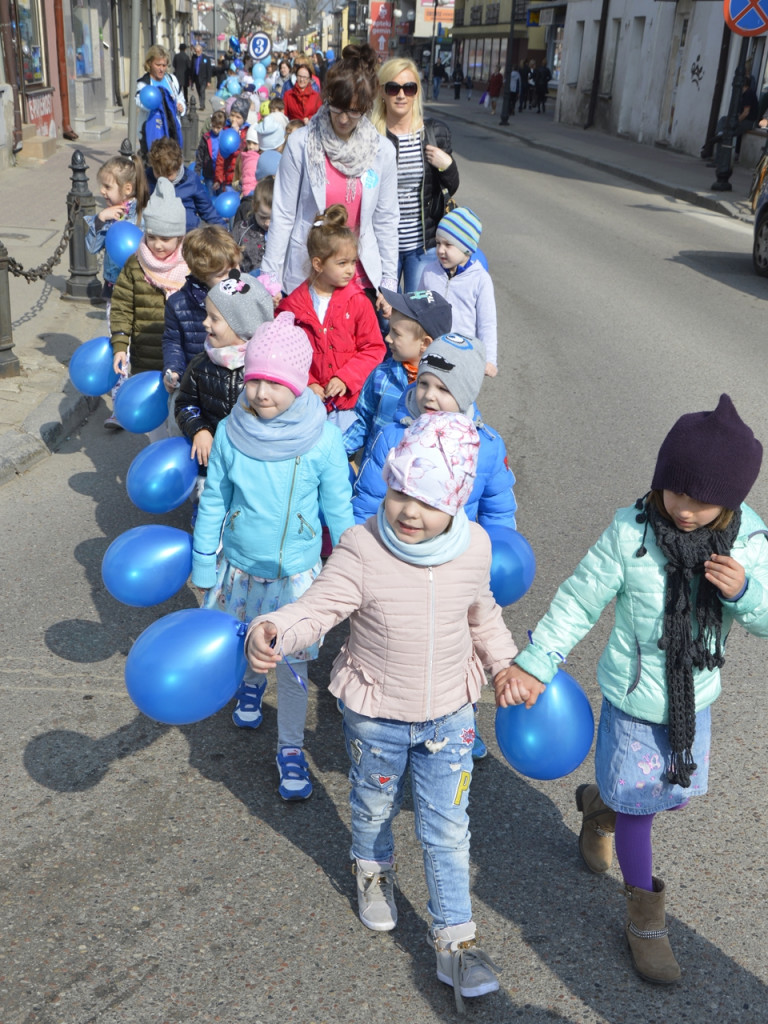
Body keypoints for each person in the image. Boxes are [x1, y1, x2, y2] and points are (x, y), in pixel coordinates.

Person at [246, 411, 518, 1010]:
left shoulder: (474, 547)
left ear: (455, 503)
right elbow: (318, 606)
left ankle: (456, 939)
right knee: (371, 802)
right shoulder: (363, 546)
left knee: (448, 828)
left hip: (450, 715)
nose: (408, 511)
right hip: (376, 711)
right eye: (398, 492)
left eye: (425, 499)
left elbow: (483, 613)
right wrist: (276, 627)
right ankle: (371, 866)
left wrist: (505, 664)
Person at [502, 394, 768, 985]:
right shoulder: (632, 531)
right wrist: (536, 662)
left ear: (733, 500)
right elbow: (578, 600)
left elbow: (766, 616)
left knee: (668, 797)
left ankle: (602, 810)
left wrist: (745, 592)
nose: (685, 510)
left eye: (703, 501)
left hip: (692, 702)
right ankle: (645, 921)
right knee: (642, 812)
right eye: (675, 492)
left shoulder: (748, 543)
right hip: (632, 699)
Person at [191, 312, 355, 801]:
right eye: (255, 379)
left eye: (276, 383)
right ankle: (249, 683)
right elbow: (214, 501)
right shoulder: (230, 433)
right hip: (241, 566)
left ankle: (289, 748)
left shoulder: (322, 438)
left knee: (293, 665)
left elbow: (338, 509)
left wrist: (351, 571)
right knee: (244, 635)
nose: (262, 393)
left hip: (297, 578)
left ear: (300, 385)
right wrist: (203, 565)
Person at [259, 44, 398, 312]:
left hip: (360, 278)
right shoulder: (302, 142)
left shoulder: (382, 151)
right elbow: (284, 213)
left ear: (367, 108)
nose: (344, 119)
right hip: (309, 273)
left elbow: (386, 219)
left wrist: (389, 280)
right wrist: (270, 275)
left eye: (354, 111)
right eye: (337, 108)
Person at [277, 205, 386, 432]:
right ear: (318, 264)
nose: (351, 270)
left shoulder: (358, 301)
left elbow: (373, 348)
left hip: (348, 402)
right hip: (305, 400)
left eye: (353, 262)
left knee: (340, 454)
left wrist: (346, 378)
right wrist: (308, 382)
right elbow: (282, 352)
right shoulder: (292, 307)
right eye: (342, 263)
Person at [176, 269, 274, 497]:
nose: (205, 323)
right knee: (210, 520)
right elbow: (185, 405)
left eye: (214, 318)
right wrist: (199, 429)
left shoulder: (265, 367)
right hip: (212, 467)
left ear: (242, 325)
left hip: (256, 470)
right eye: (206, 314)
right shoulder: (200, 364)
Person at [371, 57, 459, 293]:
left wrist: (447, 165)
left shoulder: (434, 132)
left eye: (409, 88)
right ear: (382, 92)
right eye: (393, 88)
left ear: (416, 92)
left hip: (422, 246)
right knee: (384, 319)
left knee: (416, 317)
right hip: (380, 247)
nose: (401, 95)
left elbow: (450, 187)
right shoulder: (370, 136)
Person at [109, 179, 189, 434]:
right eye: (151, 236)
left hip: (182, 361)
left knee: (179, 421)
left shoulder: (190, 267)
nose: (157, 245)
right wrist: (120, 345)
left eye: (165, 239)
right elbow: (122, 306)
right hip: (146, 359)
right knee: (153, 426)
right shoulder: (135, 264)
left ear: (180, 236)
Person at [343, 287, 452, 463]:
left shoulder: (448, 389)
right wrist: (337, 453)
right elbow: (363, 421)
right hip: (376, 474)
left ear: (424, 343)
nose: (388, 338)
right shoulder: (381, 375)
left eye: (396, 333)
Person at [162, 225, 244, 392]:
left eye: (235, 268)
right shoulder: (178, 304)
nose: (232, 277)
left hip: (239, 382)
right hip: (200, 382)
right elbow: (173, 342)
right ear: (202, 275)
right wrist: (174, 369)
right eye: (222, 274)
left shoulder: (245, 294)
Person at [419, 208, 498, 375]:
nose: (440, 250)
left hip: (464, 356)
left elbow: (487, 324)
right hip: (432, 351)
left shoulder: (480, 280)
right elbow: (419, 308)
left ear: (466, 248)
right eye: (438, 243)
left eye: (448, 245)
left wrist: (489, 359)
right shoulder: (429, 272)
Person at [85, 154, 149, 307]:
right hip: (113, 286)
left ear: (127, 188)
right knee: (115, 328)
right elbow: (92, 248)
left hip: (140, 287)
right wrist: (100, 220)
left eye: (107, 187)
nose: (101, 191)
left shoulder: (145, 215)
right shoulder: (108, 216)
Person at [147, 137, 227, 231]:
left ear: (178, 166)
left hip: (186, 235)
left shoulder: (191, 180)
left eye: (169, 175)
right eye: (159, 174)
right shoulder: (147, 178)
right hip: (157, 236)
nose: (164, 180)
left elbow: (208, 211)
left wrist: (225, 234)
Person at [136, 45, 186, 161]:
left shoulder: (172, 80)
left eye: (164, 65)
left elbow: (180, 98)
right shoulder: (143, 83)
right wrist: (154, 105)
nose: (161, 69)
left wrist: (181, 106)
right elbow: (138, 101)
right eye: (158, 65)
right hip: (152, 133)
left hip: (172, 130)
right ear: (149, 64)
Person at [232, 176, 273, 274]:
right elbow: (230, 256)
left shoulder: (285, 232)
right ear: (254, 206)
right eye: (263, 217)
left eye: (273, 219)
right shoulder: (241, 229)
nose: (267, 224)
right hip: (247, 283)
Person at [213, 95, 251, 194]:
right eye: (232, 115)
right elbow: (221, 156)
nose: (234, 119)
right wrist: (218, 178)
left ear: (244, 119)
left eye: (238, 117)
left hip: (241, 176)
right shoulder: (225, 131)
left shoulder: (247, 132)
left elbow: (244, 151)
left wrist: (237, 134)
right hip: (228, 177)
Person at [195, 109, 227, 190]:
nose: (215, 130)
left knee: (220, 195)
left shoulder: (226, 137)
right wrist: (197, 172)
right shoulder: (206, 138)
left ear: (223, 126)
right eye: (213, 126)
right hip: (209, 172)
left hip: (222, 172)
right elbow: (200, 155)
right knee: (210, 194)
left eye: (218, 128)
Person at [190, 43, 213, 110]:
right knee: (199, 91)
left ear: (201, 50)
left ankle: (202, 105)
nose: (197, 52)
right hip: (196, 78)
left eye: (198, 51)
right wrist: (191, 79)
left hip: (204, 78)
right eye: (196, 51)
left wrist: (209, 81)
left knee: (202, 90)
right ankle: (201, 103)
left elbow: (209, 70)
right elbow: (192, 68)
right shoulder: (194, 58)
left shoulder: (206, 58)